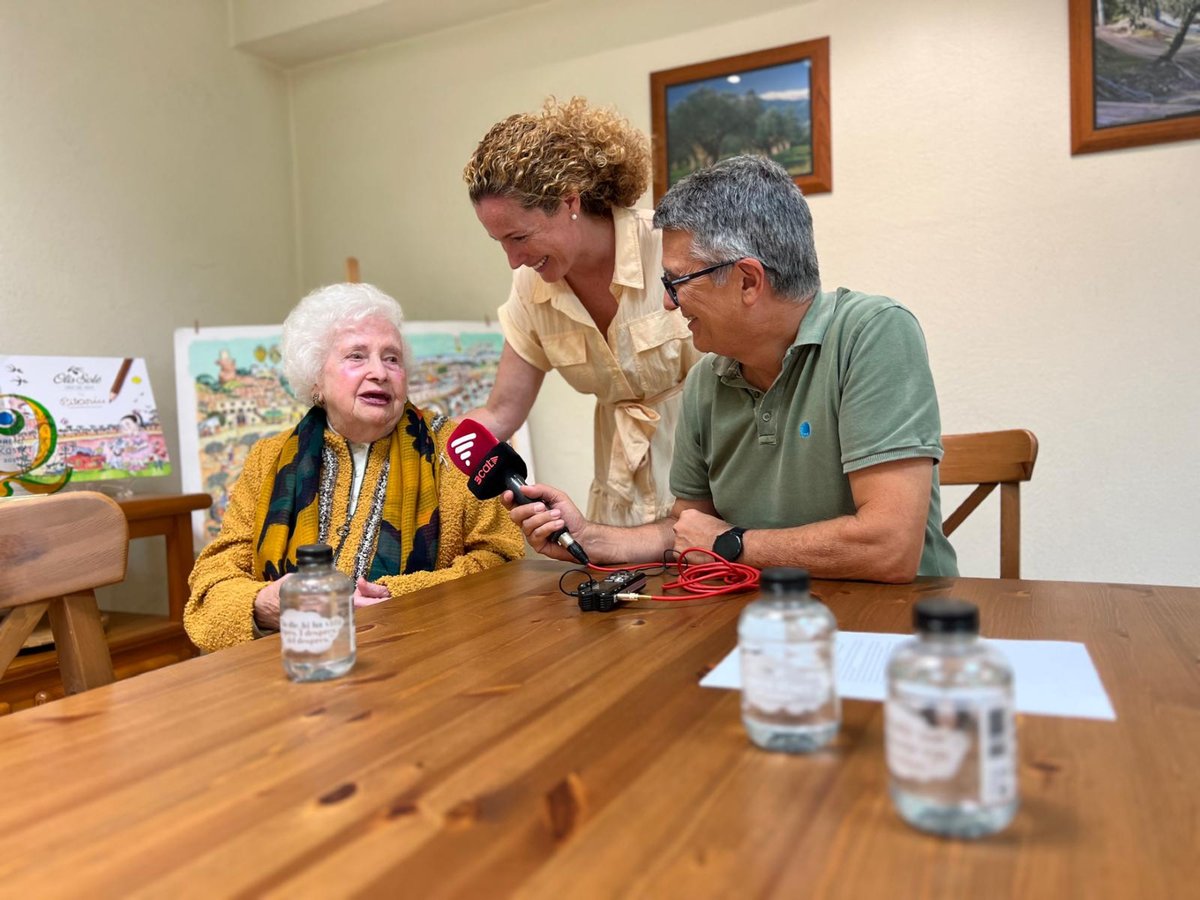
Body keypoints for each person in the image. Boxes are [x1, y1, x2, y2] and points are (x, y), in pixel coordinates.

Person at [509, 155, 958, 582]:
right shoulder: (707, 379)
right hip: (766, 621)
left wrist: (731, 544)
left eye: (676, 282)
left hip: (894, 632)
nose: (668, 302)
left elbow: (889, 549)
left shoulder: (873, 334)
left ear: (748, 280)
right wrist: (590, 536)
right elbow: (686, 531)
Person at [185, 283, 525, 653]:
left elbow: (502, 563)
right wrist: (269, 604)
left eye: (392, 358)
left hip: (426, 658)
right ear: (317, 378)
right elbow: (212, 582)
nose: (379, 372)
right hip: (287, 667)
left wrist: (400, 599)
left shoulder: (455, 449)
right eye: (357, 356)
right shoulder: (269, 458)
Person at [463, 97, 701, 527]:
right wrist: (426, 444)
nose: (514, 260)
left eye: (519, 237)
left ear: (570, 201)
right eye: (500, 242)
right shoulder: (530, 290)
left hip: (704, 490)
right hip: (618, 503)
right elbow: (501, 412)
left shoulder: (669, 248)